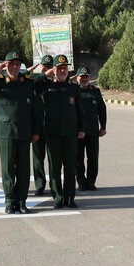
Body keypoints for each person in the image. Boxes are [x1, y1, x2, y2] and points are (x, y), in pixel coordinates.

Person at [0, 51, 41, 214]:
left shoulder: (27, 82)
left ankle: (22, 201)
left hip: (25, 130)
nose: (15, 67)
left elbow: (36, 108)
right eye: (11, 64)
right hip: (6, 130)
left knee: (24, 169)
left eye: (17, 64)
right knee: (8, 168)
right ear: (6, 65)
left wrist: (36, 131)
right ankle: (10, 201)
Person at [32, 54, 85, 208]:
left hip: (70, 133)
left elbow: (80, 111)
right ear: (54, 70)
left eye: (64, 68)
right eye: (59, 68)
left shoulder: (74, 89)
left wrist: (82, 129)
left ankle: (70, 198)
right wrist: (45, 74)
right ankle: (57, 196)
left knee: (70, 166)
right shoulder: (45, 86)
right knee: (55, 167)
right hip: (52, 133)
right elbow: (31, 82)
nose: (62, 71)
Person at [72, 66, 106, 191]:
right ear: (77, 78)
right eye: (81, 76)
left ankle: (91, 182)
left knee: (93, 158)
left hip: (92, 130)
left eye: (86, 77)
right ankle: (81, 182)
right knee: (78, 158)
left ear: (89, 78)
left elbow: (102, 110)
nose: (84, 79)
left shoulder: (95, 92)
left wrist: (103, 127)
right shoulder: (73, 91)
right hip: (77, 131)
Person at [26, 54, 54, 196]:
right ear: (40, 67)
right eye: (45, 67)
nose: (47, 70)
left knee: (53, 158)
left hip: (53, 127)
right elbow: (29, 79)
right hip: (38, 127)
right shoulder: (35, 81)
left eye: (50, 67)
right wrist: (44, 74)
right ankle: (40, 185)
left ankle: (54, 185)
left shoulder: (55, 83)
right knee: (38, 159)